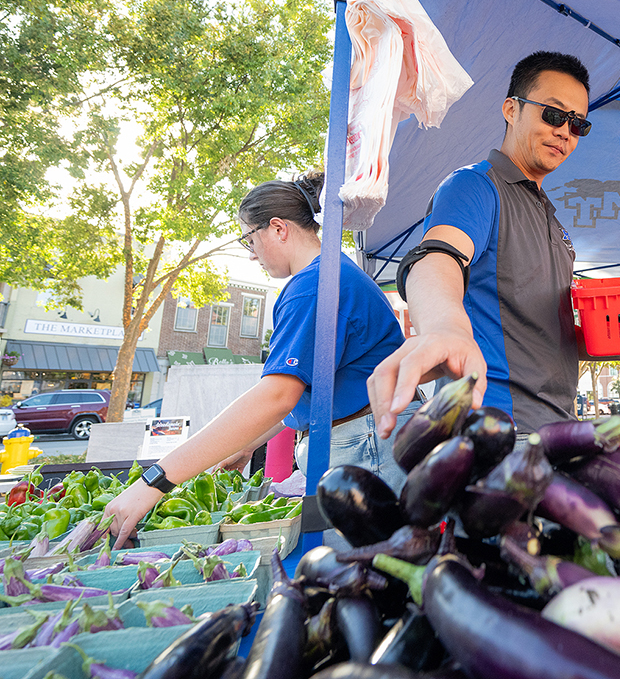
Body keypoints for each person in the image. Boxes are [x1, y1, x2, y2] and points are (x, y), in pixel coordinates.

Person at [104, 172, 420, 547]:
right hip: (373, 438)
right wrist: (248, 443)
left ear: (278, 228)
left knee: (371, 573)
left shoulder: (313, 286)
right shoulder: (332, 275)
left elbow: (276, 395)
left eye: (249, 238)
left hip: (368, 444)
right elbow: (310, 391)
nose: (250, 253)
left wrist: (155, 481)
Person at [367, 51, 592, 437]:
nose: (564, 132)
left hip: (558, 430)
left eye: (578, 124)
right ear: (511, 109)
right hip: (497, 432)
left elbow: (544, 333)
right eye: (553, 115)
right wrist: (443, 326)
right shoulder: (475, 186)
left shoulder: (553, 221)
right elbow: (438, 256)